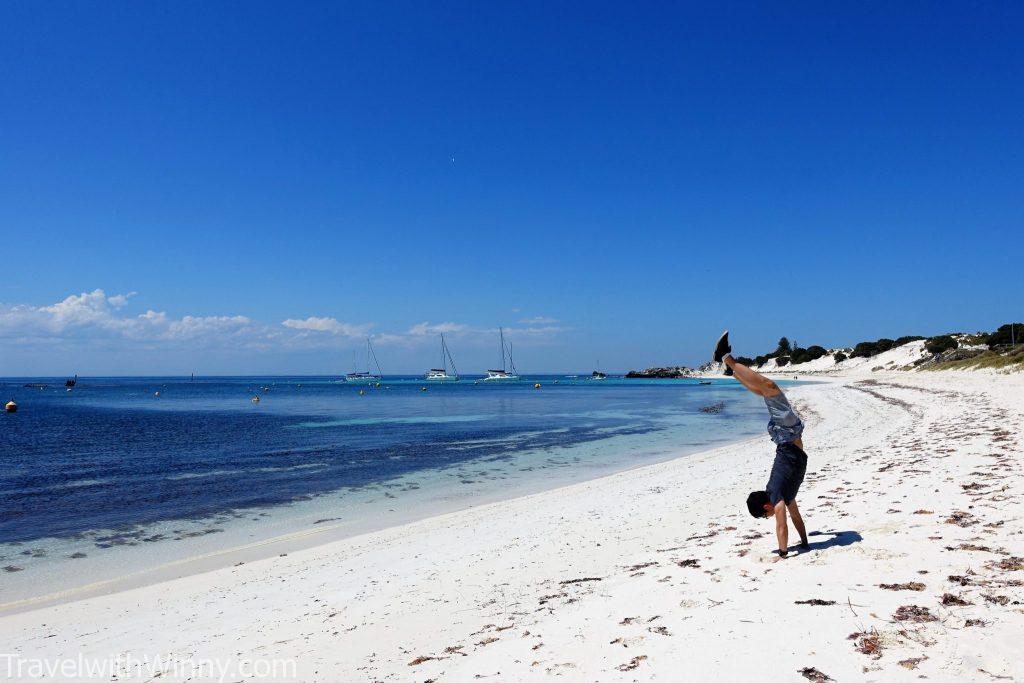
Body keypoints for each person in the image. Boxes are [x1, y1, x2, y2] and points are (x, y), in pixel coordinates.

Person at [713, 331, 810, 560]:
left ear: (767, 507)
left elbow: (782, 526)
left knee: (768, 388)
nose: (774, 516)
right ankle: (729, 365)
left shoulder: (777, 495)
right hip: (786, 436)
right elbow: (794, 518)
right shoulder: (785, 496)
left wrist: (784, 552)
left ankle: (727, 360)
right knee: (766, 390)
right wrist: (804, 543)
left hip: (787, 436)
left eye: (768, 515)